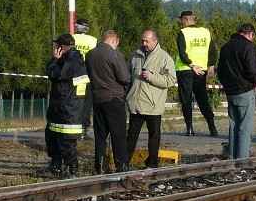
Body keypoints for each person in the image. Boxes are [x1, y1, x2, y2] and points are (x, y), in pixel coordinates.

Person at [127, 29, 177, 168]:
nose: (144, 43)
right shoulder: (135, 55)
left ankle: (152, 164)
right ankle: (123, 163)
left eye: (147, 41)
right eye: (143, 40)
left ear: (155, 41)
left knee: (153, 137)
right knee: (131, 136)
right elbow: (128, 77)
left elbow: (171, 80)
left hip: (153, 105)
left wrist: (152, 77)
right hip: (135, 103)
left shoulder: (165, 58)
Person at [43, 34, 90, 177]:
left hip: (67, 108)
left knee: (66, 142)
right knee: (52, 137)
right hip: (66, 107)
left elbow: (54, 74)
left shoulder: (68, 61)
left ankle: (72, 170)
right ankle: (56, 165)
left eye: (58, 45)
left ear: (62, 47)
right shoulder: (76, 59)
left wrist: (54, 60)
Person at [85, 30, 130, 174]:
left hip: (97, 98)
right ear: (113, 40)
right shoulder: (114, 55)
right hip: (113, 98)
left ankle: (100, 165)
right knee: (118, 135)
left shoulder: (90, 54)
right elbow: (124, 77)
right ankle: (121, 165)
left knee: (100, 135)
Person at [216, 23, 256, 159]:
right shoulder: (247, 46)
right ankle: (242, 160)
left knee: (233, 126)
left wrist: (226, 84)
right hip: (245, 90)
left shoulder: (226, 46)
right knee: (245, 128)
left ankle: (232, 156)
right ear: (250, 34)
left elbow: (220, 70)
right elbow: (252, 68)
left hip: (230, 91)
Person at [175, 10, 219, 137]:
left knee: (186, 99)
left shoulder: (183, 32)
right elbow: (212, 51)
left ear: (186, 20)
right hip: (201, 70)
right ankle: (212, 127)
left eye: (182, 20)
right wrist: (211, 66)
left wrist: (191, 65)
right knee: (202, 99)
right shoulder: (205, 32)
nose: (181, 23)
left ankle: (189, 128)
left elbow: (182, 52)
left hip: (185, 69)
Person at [73, 18, 98, 139]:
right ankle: (84, 129)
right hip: (89, 77)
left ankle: (73, 127)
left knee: (73, 103)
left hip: (73, 77)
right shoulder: (93, 41)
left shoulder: (71, 38)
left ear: (77, 27)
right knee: (87, 105)